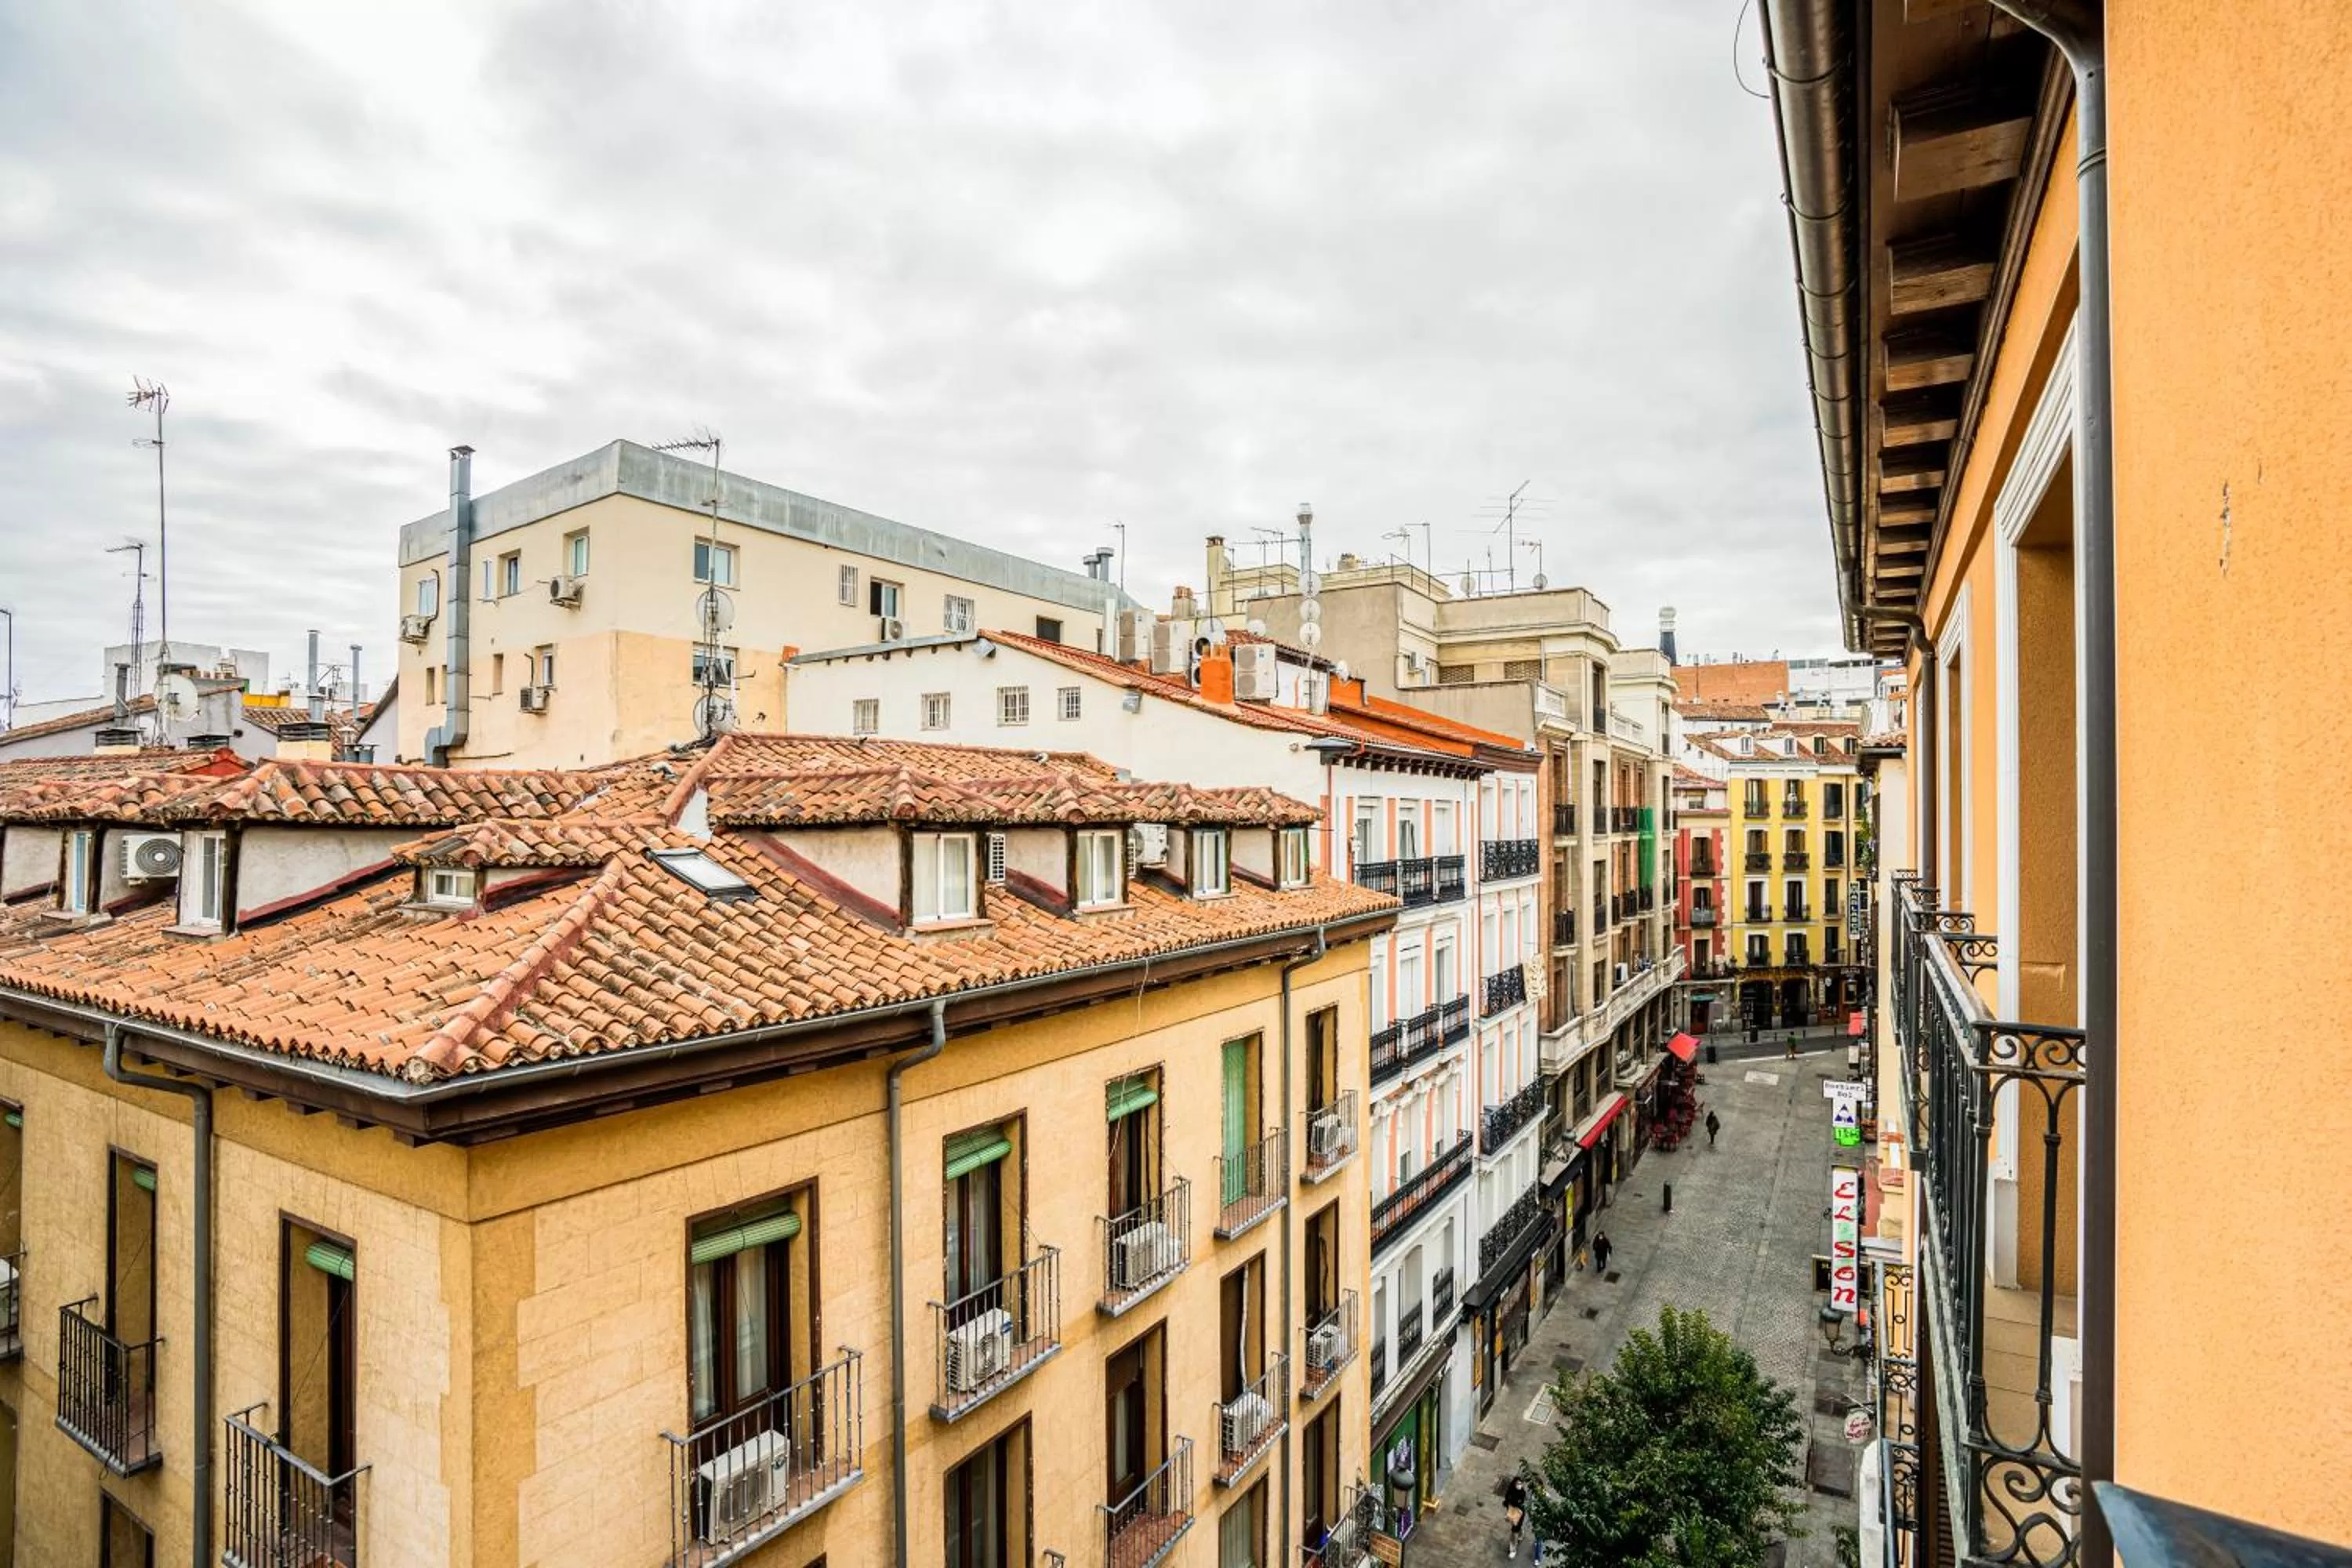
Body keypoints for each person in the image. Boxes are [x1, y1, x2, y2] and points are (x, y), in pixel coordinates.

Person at [1503, 1472, 1530, 1559]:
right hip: (1512, 1511)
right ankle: (1521, 1534)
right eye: (1518, 1483)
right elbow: (1506, 1500)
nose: (1520, 1485)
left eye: (1521, 1484)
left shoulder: (1522, 1493)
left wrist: (1512, 1503)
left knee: (1514, 1532)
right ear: (1514, 1483)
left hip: (1519, 1512)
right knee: (1516, 1527)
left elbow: (1519, 1502)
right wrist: (1509, 1505)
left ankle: (1513, 1550)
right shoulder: (1510, 1491)